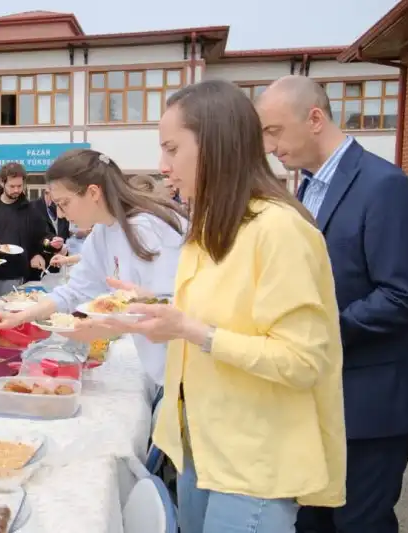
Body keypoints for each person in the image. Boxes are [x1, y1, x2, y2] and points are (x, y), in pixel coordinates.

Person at [96, 79, 347, 532]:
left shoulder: (278, 230)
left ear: (213, 145)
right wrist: (153, 306)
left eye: (172, 149)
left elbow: (302, 359)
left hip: (252, 463)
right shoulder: (211, 225)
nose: (162, 165)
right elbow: (221, 313)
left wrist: (193, 332)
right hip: (201, 448)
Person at [256, 75, 408, 533]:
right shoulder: (305, 188)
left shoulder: (385, 186)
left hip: (368, 402)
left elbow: (403, 295)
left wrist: (316, 332)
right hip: (316, 396)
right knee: (312, 524)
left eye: (274, 131)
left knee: (360, 523)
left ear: (314, 118)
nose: (269, 147)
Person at [0, 148, 185, 391]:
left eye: (65, 203)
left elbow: (173, 309)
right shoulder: (103, 231)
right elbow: (76, 291)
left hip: (187, 372)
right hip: (163, 373)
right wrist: (22, 316)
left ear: (93, 192)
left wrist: (103, 328)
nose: (62, 213)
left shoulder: (148, 229)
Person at [0, 163, 57, 297]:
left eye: (19, 186)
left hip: (15, 274)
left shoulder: (30, 210)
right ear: (2, 183)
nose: (16, 190)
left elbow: (41, 236)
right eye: (12, 186)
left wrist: (39, 252)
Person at [28, 188, 70, 281]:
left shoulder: (61, 207)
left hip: (57, 268)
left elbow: (64, 234)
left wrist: (63, 248)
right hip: (37, 269)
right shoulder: (32, 208)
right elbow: (27, 237)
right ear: (48, 189)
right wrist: (33, 255)